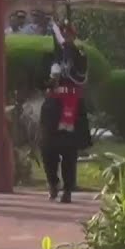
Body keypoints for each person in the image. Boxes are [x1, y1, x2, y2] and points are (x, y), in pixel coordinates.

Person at [38, 18, 92, 202]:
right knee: (47, 148)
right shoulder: (49, 56)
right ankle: (53, 182)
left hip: (72, 105)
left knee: (69, 150)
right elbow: (40, 81)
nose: (65, 36)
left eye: (68, 33)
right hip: (53, 107)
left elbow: (80, 76)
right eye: (62, 33)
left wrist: (68, 50)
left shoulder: (80, 54)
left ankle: (68, 189)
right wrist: (50, 79)